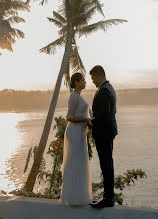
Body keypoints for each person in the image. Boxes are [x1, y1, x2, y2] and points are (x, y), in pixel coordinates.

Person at [60, 72, 92, 205]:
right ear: (77, 82)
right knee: (75, 161)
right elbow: (69, 117)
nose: (85, 82)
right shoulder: (73, 97)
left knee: (80, 161)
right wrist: (86, 119)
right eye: (83, 80)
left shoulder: (78, 96)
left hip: (80, 133)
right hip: (75, 132)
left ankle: (79, 196)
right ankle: (73, 197)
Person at [90, 65, 118, 209]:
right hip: (108, 131)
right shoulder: (110, 88)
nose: (92, 81)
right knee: (107, 164)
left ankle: (108, 198)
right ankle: (108, 197)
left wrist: (90, 122)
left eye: (93, 78)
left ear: (99, 75)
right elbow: (112, 111)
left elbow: (103, 114)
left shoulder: (103, 91)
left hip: (104, 133)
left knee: (106, 165)